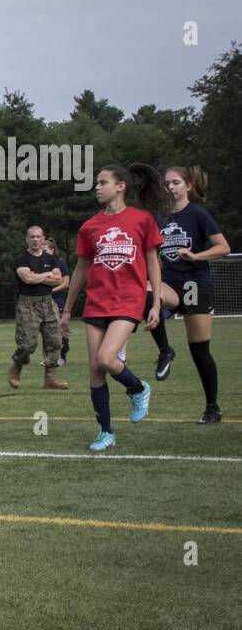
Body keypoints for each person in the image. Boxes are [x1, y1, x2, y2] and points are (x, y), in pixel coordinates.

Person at [59, 164, 167, 452]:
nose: (97, 187)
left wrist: (155, 301)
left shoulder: (142, 220)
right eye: (96, 182)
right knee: (95, 370)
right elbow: (81, 270)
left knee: (107, 358)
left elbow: (153, 263)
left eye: (102, 182)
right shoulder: (89, 226)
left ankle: (138, 388)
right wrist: (68, 309)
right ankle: (106, 432)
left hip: (128, 301)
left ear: (120, 186)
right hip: (96, 303)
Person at [146, 165, 230, 422]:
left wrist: (196, 255)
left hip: (195, 283)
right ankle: (165, 351)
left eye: (175, 183)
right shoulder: (159, 218)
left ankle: (212, 408)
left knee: (200, 351)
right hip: (170, 282)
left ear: (188, 186)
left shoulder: (198, 214)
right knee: (147, 294)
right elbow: (154, 255)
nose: (170, 187)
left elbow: (223, 247)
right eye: (167, 183)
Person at [9, 227, 68, 391]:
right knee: (27, 344)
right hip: (28, 304)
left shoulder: (52, 259)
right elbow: (27, 278)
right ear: (26, 239)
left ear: (43, 239)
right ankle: (16, 366)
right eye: (32, 237)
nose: (35, 239)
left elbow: (58, 280)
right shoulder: (21, 259)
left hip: (48, 303)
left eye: (38, 237)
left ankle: (50, 378)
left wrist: (38, 276)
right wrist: (46, 275)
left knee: (55, 341)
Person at [44, 237, 71, 366]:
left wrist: (51, 290)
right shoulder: (39, 264)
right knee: (45, 329)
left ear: (52, 249)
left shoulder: (60, 263)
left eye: (45, 250)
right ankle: (48, 357)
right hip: (42, 300)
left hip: (58, 299)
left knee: (59, 328)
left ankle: (62, 355)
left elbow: (66, 283)